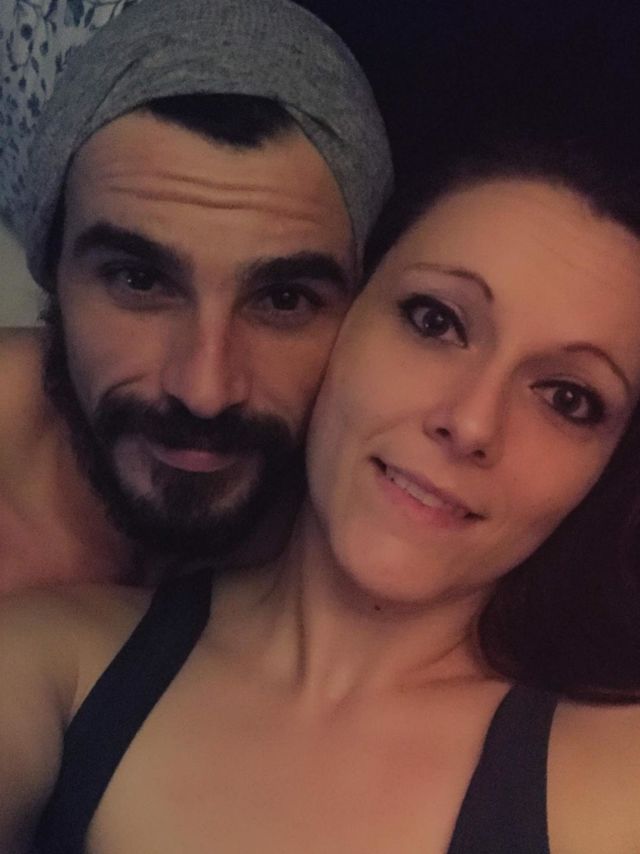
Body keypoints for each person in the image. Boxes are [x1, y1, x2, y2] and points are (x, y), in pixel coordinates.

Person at [3, 125, 640, 851]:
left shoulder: (618, 775)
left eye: (568, 398)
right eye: (435, 321)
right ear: (339, 327)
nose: (470, 424)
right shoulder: (52, 660)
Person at [0, 0, 392, 593]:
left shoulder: (369, 544)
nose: (205, 392)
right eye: (139, 281)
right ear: (53, 269)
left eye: (284, 299)